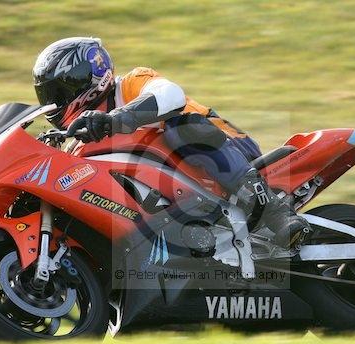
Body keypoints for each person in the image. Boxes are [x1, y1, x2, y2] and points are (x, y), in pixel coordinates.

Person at [33, 37, 310, 248]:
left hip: (230, 150)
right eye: (46, 96)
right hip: (180, 195)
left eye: (58, 93)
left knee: (182, 127)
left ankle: (274, 213)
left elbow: (171, 95)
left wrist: (115, 118)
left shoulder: (131, 84)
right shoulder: (81, 137)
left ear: (85, 80)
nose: (52, 104)